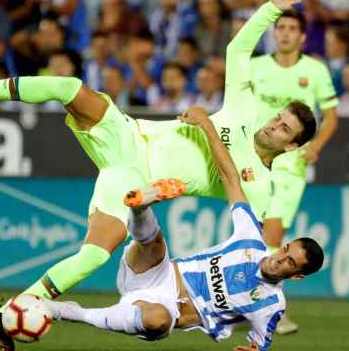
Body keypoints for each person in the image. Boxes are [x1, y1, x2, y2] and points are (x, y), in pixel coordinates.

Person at [0, 0, 315, 350]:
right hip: (129, 134)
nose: (272, 125)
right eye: (277, 117)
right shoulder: (245, 110)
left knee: (94, 255)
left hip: (134, 183)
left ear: (292, 146)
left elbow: (256, 244)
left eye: (283, 128)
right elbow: (237, 48)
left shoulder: (261, 187)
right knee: (69, 88)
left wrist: (260, 304)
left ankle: (10, 316)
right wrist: (271, 8)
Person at [43, 105, 324, 351]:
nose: (279, 258)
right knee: (155, 246)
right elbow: (230, 178)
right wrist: (207, 125)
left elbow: (259, 344)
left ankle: (67, 312)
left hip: (162, 310)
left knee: (159, 321)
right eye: (285, 249)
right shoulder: (250, 238)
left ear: (296, 276)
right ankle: (139, 206)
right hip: (153, 271)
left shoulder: (271, 305)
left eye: (289, 262)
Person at [248, 9, 338, 335]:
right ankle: (259, 303)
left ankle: (270, 307)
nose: (284, 33)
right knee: (254, 234)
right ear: (274, 33)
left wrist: (316, 146)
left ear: (301, 36)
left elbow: (332, 115)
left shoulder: (315, 70)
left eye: (291, 29)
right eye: (280, 27)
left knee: (272, 234)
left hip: (291, 167)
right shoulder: (255, 67)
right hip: (255, 161)